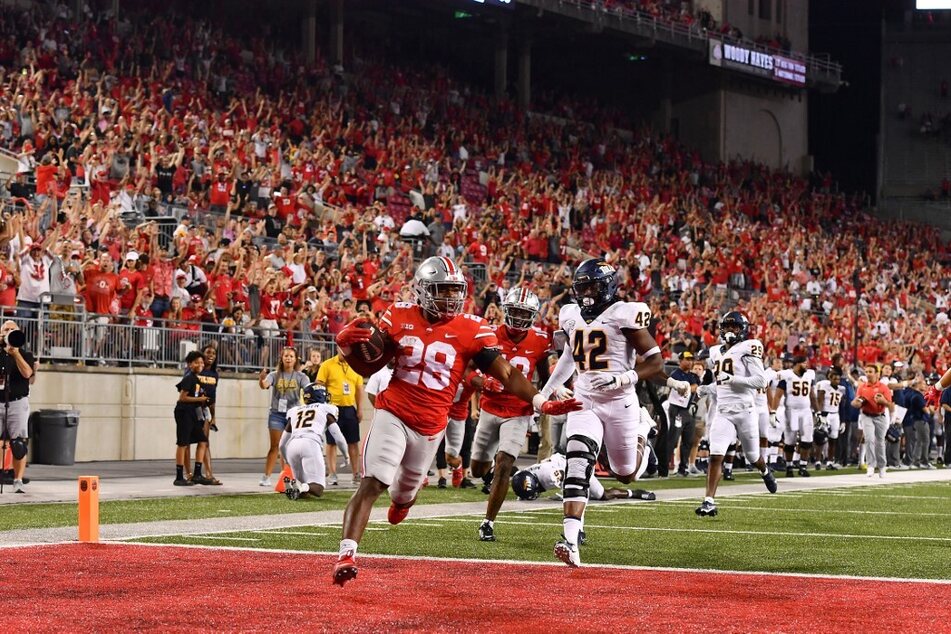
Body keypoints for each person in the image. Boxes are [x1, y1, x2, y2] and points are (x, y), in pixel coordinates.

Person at [331, 256, 580, 586]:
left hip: (433, 424)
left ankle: (402, 502)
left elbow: (505, 372)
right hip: (394, 410)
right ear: (422, 290)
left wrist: (540, 401)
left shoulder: (472, 327)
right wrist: (349, 348)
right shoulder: (399, 314)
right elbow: (370, 368)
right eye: (442, 290)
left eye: (454, 291)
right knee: (374, 481)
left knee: (404, 494)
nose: (450, 298)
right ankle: (346, 555)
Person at [538, 259, 670, 568]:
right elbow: (568, 358)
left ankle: (642, 430)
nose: (586, 293)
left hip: (620, 402)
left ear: (608, 286)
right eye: (581, 286)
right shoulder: (570, 315)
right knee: (578, 458)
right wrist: (544, 392)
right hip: (584, 398)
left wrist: (625, 378)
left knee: (625, 474)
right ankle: (570, 539)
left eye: (593, 286)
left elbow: (656, 362)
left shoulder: (625, 313)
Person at [471, 288, 551, 542]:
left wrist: (546, 397)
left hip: (519, 411)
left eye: (522, 313)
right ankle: (489, 472)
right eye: (513, 311)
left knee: (504, 463)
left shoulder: (540, 339)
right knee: (477, 468)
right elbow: (467, 371)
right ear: (506, 309)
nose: (517, 317)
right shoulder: (489, 334)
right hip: (490, 408)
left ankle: (488, 522)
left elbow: (546, 376)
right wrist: (483, 383)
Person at [694, 313, 778, 517]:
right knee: (716, 456)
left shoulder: (749, 346)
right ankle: (708, 501)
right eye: (727, 326)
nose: (730, 331)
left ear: (743, 329)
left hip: (745, 411)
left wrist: (732, 379)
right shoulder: (715, 353)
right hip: (723, 412)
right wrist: (707, 389)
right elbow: (722, 384)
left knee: (752, 456)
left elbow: (759, 381)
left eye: (735, 327)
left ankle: (765, 470)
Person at [280, 384, 350, 500]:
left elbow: (282, 443)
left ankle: (298, 486)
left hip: (292, 445)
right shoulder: (325, 409)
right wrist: (346, 455)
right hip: (310, 443)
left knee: (304, 491)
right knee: (318, 488)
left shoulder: (295, 410)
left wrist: (287, 459)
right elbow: (338, 437)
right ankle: (301, 487)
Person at [258, 347, 311, 487]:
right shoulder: (275, 375)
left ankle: (287, 473)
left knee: (290, 446)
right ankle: (266, 476)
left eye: (291, 356)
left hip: (293, 415)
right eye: (286, 356)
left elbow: (308, 391)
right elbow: (264, 386)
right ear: (282, 358)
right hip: (276, 414)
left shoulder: (301, 377)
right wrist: (261, 378)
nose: (288, 358)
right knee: (275, 446)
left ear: (295, 359)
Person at [316, 351, 365, 485]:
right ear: (337, 348)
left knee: (353, 442)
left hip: (349, 408)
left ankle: (356, 474)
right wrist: (323, 406)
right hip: (332, 409)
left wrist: (360, 408)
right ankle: (332, 474)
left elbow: (359, 388)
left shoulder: (356, 366)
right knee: (331, 443)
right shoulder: (327, 365)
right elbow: (319, 385)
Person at [0, 321, 36, 494]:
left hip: (17, 401)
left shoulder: (25, 353)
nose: (9, 332)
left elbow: (27, 374)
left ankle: (18, 480)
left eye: (12, 329)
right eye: (6, 329)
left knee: (18, 444)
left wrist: (15, 354)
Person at [772, 355, 818, 477]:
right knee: (790, 440)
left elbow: (812, 395)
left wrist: (818, 412)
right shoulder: (787, 376)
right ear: (797, 364)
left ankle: (802, 465)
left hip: (806, 410)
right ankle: (789, 467)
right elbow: (777, 395)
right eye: (804, 363)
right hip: (791, 411)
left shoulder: (809, 375)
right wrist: (773, 411)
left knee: (807, 439)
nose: (806, 366)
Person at [173, 351, 212, 486]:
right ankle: (179, 476)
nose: (200, 364)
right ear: (190, 364)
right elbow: (182, 397)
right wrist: (200, 398)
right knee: (182, 443)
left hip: (193, 412)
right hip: (184, 412)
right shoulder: (189, 377)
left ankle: (197, 474)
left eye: (201, 362)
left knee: (202, 440)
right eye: (196, 362)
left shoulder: (196, 378)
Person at [851, 364, 895, 478]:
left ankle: (881, 466)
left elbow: (890, 405)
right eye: (866, 371)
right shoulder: (862, 387)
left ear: (877, 374)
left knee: (880, 441)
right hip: (866, 415)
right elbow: (856, 401)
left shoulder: (883, 387)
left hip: (880, 416)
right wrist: (856, 403)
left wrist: (883, 401)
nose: (868, 374)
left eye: (870, 371)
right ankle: (870, 465)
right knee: (869, 439)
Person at [666, 351, 700, 476]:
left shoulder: (692, 375)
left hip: (688, 410)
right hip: (677, 409)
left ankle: (683, 467)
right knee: (673, 438)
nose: (690, 362)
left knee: (689, 440)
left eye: (691, 359)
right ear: (680, 360)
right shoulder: (676, 374)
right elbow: (685, 389)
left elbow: (697, 387)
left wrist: (692, 388)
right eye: (687, 359)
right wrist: (691, 387)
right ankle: (664, 466)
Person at [815, 369, 846, 470]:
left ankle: (830, 461)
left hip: (835, 415)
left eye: (838, 379)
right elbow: (820, 400)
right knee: (821, 438)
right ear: (829, 378)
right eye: (834, 379)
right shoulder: (824, 387)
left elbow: (842, 406)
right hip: (826, 414)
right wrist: (820, 415)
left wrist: (843, 421)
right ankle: (818, 461)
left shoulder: (841, 389)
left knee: (833, 439)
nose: (837, 381)